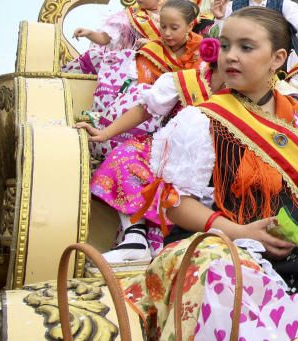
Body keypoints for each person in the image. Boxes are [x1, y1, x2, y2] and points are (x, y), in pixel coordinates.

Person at [124, 8, 298, 341]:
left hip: (292, 240)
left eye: (246, 47)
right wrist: (243, 234)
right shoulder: (200, 120)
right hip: (223, 239)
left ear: (277, 58)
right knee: (227, 272)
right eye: (226, 45)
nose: (231, 56)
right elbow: (176, 205)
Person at [77, 58, 224, 265]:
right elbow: (145, 109)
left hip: (217, 168)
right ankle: (135, 238)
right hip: (167, 153)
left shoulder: (252, 97)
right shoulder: (186, 81)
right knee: (128, 155)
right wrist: (104, 134)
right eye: (227, 47)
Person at [82, 0, 203, 159]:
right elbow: (148, 101)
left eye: (174, 28)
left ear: (190, 26)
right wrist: (105, 134)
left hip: (189, 122)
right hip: (151, 112)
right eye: (163, 26)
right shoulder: (151, 49)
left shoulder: (203, 53)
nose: (166, 33)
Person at [65, 0, 171, 74]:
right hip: (136, 64)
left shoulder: (176, 13)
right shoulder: (128, 16)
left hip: (168, 63)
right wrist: (88, 33)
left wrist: (152, 44)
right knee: (95, 55)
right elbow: (104, 39)